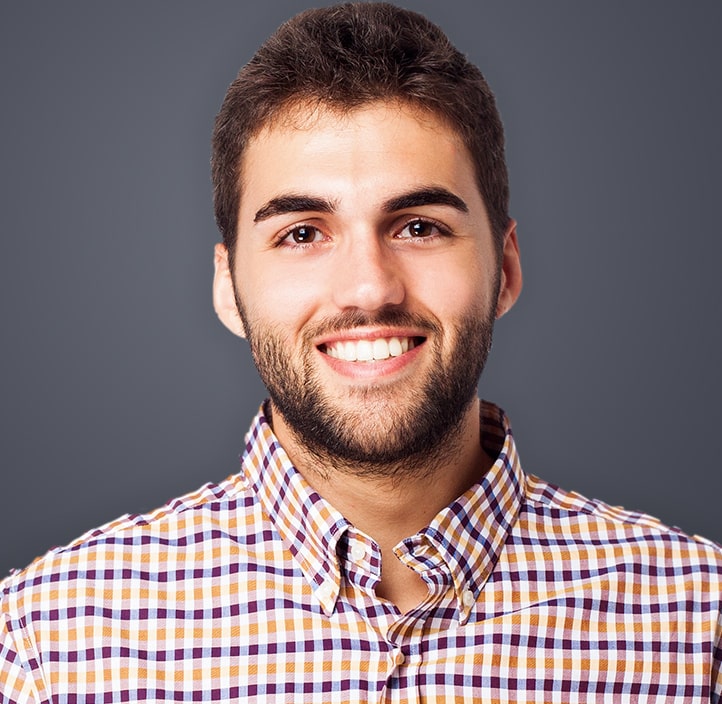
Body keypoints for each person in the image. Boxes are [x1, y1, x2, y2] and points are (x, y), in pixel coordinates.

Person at [1, 3, 720, 701]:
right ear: (227, 286)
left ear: (504, 268)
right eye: (302, 234)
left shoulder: (699, 625)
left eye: (418, 227)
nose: (369, 288)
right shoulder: (49, 643)